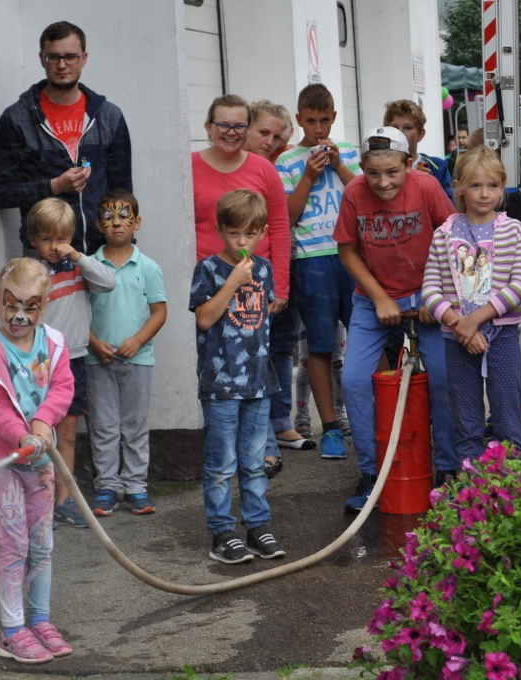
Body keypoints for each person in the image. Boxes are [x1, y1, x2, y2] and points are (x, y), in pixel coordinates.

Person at [333, 127, 457, 511]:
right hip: (374, 297)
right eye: (373, 173)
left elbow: (454, 241)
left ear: (409, 163)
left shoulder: (427, 187)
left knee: (443, 378)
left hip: (427, 293)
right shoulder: (354, 193)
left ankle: (448, 469)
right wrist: (380, 298)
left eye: (392, 172)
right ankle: (372, 473)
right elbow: (347, 251)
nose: (383, 182)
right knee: (354, 380)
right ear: (362, 168)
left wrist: (438, 295)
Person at [0, 258, 74, 664]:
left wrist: (43, 422)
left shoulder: (54, 344)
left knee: (42, 543)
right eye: (11, 305)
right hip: (4, 460)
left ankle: (40, 620)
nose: (19, 316)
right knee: (13, 545)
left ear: (44, 305)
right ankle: (12, 631)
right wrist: (22, 435)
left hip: (41, 459)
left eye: (30, 306)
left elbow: (62, 388)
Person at [192, 94, 292, 477]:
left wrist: (280, 286)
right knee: (218, 364)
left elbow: (279, 227)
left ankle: (263, 449)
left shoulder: (263, 169)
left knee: (257, 361)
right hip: (211, 285)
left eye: (239, 126)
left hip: (255, 286)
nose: (231, 133)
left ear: (247, 129)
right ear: (208, 127)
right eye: (223, 125)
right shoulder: (190, 166)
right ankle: (226, 453)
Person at [189, 189, 286, 564]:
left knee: (254, 461)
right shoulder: (208, 269)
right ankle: (222, 533)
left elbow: (260, 323)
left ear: (262, 233)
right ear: (220, 231)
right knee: (221, 464)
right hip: (221, 384)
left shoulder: (263, 269)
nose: (241, 242)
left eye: (249, 234)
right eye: (233, 233)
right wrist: (232, 282)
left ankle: (257, 526)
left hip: (257, 384)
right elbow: (204, 318)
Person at [422, 148, 521, 463]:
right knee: (467, 422)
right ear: (458, 187)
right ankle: (471, 488)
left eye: (492, 186)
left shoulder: (514, 230)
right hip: (457, 340)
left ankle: (513, 485)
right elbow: (430, 290)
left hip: (502, 336)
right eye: (475, 185)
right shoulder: (443, 234)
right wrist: (460, 324)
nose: (484, 194)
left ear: (502, 186)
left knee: (508, 418)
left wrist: (476, 319)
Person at [0, 21, 132, 256]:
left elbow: (123, 192)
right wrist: (55, 186)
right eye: (53, 57)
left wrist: (125, 250)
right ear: (41, 59)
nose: (62, 65)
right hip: (46, 258)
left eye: (70, 57)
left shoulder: (108, 116)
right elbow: (0, 194)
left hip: (102, 255)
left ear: (84, 58)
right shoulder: (16, 119)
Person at [276, 83, 361, 460]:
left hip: (352, 256)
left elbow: (365, 197)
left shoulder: (349, 152)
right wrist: (308, 177)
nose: (318, 129)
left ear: (334, 118)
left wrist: (340, 165)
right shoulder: (287, 162)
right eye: (310, 121)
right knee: (320, 347)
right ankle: (330, 429)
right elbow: (287, 217)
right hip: (311, 260)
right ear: (298, 120)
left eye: (325, 120)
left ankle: (376, 419)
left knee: (367, 339)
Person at [25, 197, 116, 528]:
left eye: (61, 238)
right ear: (33, 239)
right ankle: (40, 503)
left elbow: (108, 282)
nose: (54, 247)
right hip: (38, 365)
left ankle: (64, 501)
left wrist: (77, 255)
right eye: (46, 239)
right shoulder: (31, 274)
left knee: (67, 435)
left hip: (73, 361)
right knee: (38, 434)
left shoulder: (77, 266)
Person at [245, 101, 317, 476]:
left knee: (282, 348)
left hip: (281, 268)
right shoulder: (244, 167)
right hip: (247, 274)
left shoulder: (281, 164)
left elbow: (282, 225)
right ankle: (266, 433)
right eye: (264, 133)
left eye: (277, 136)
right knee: (258, 354)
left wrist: (282, 282)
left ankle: (280, 422)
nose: (270, 142)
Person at [86, 190, 166, 517]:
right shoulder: (89, 267)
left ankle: (135, 486)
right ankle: (106, 486)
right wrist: (93, 342)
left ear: (137, 222)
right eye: (109, 217)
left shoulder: (148, 267)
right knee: (103, 426)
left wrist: (137, 340)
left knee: (134, 425)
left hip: (138, 360)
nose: (117, 223)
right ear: (98, 225)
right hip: (98, 361)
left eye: (124, 217)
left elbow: (159, 312)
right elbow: (77, 313)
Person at [384, 99, 453, 200]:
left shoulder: (437, 166)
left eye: (407, 128)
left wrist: (433, 186)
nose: (400, 133)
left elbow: (451, 205)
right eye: (394, 128)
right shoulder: (377, 167)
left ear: (420, 134)